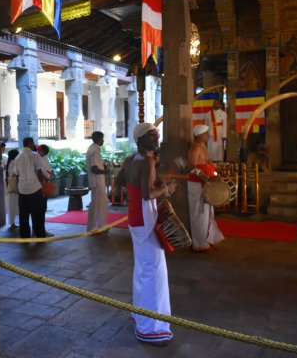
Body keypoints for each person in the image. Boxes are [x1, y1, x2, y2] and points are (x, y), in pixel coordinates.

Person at [115, 123, 177, 346]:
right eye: (152, 135)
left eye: (157, 134)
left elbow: (121, 181)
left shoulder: (132, 159)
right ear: (140, 139)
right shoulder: (148, 160)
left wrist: (151, 180)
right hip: (145, 217)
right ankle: (152, 328)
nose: (156, 137)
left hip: (135, 217)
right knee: (154, 271)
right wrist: (167, 187)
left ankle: (140, 316)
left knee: (143, 267)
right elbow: (147, 193)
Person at [187, 124, 225, 252]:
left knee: (208, 214)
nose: (208, 135)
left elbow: (207, 163)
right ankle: (200, 244)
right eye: (206, 133)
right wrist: (204, 177)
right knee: (199, 214)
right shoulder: (195, 147)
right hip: (197, 185)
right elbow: (191, 166)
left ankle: (208, 240)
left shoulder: (204, 146)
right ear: (199, 135)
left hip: (206, 184)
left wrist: (216, 172)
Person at [13, 137, 52, 238]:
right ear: (31, 144)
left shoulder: (18, 157)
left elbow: (16, 174)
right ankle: (39, 234)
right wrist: (42, 184)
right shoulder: (35, 155)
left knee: (24, 215)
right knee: (37, 214)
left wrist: (19, 186)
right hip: (35, 189)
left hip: (22, 190)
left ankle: (25, 236)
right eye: (33, 143)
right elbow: (39, 171)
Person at [86, 131, 110, 231]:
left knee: (98, 204)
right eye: (102, 138)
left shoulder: (92, 149)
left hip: (96, 182)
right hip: (97, 182)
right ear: (98, 139)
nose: (103, 140)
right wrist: (105, 171)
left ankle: (98, 225)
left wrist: (103, 165)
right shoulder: (95, 150)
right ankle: (96, 226)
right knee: (98, 205)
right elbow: (94, 168)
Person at [37, 144, 54, 214]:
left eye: (39, 151)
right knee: (43, 201)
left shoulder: (43, 159)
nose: (38, 152)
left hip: (44, 181)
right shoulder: (43, 158)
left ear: (43, 152)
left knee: (43, 201)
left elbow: (44, 172)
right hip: (44, 180)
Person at [6, 149, 20, 230]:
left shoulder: (10, 163)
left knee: (12, 205)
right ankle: (12, 223)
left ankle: (12, 222)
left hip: (11, 186)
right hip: (14, 186)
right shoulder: (14, 163)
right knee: (14, 205)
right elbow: (15, 174)